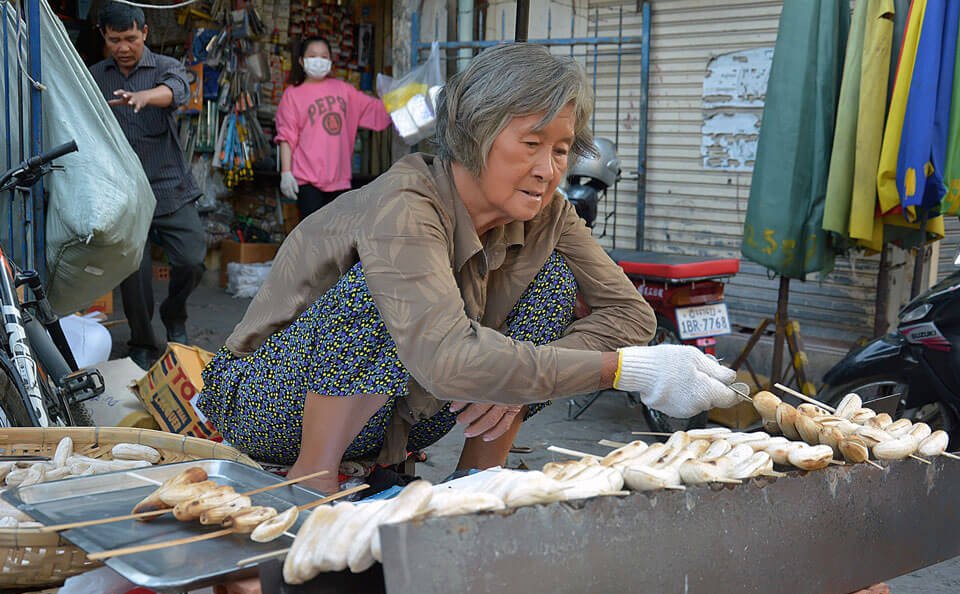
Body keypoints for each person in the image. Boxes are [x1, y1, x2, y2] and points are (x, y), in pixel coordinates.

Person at [198, 44, 739, 494]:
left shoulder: (549, 212)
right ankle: (312, 481)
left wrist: (512, 385)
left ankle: (477, 480)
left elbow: (629, 313)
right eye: (531, 144)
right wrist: (625, 371)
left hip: (403, 414)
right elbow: (447, 358)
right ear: (475, 133)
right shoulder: (405, 205)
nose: (548, 170)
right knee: (382, 294)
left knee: (550, 283)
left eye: (561, 150)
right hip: (269, 403)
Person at [89, 2, 206, 371]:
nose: (123, 47)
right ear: (104, 38)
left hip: (170, 186)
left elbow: (178, 91)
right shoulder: (93, 76)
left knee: (192, 259)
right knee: (133, 276)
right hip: (124, 196)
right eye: (114, 40)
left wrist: (144, 96)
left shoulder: (166, 68)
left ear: (144, 33)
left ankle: (176, 315)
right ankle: (142, 341)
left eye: (130, 38)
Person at [276, 36, 392, 220]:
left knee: (338, 242)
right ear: (301, 60)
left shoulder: (345, 91)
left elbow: (377, 110)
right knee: (313, 240)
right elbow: (286, 137)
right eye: (313, 55)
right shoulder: (293, 95)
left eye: (324, 56)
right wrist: (286, 172)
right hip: (307, 181)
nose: (319, 60)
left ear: (330, 61)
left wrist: (404, 102)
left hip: (340, 180)